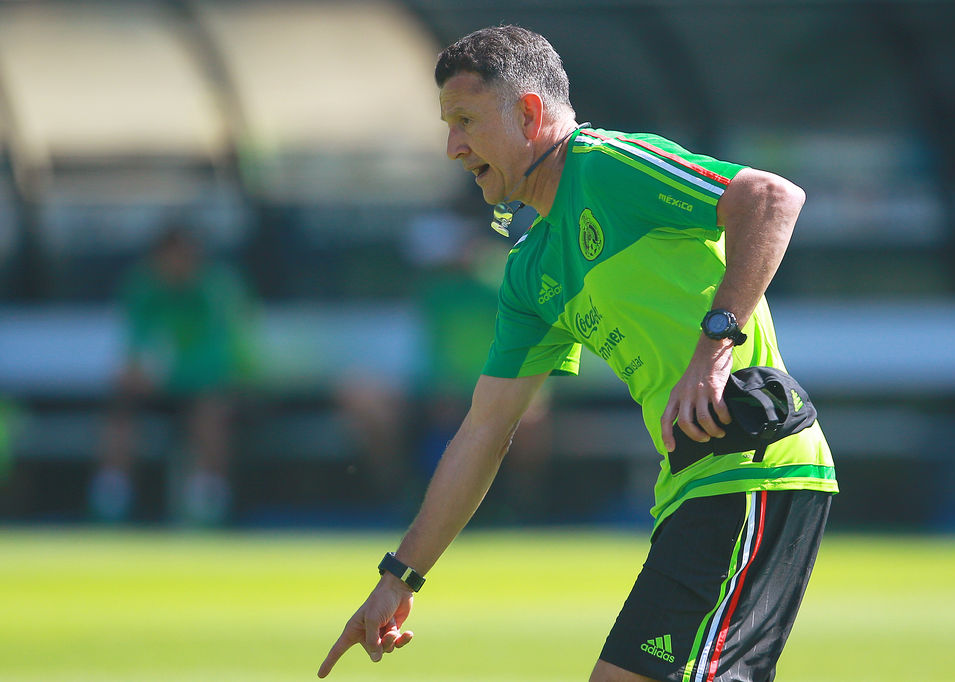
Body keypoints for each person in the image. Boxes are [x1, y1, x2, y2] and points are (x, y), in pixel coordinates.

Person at [318, 25, 838, 682]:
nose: (453, 147)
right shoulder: (531, 269)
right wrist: (399, 578)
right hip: (692, 488)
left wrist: (714, 346)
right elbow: (483, 431)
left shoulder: (606, 165)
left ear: (529, 113)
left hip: (754, 470)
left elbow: (770, 198)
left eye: (466, 121)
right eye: (449, 127)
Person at [89, 225, 255, 525]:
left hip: (211, 387)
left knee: (211, 408)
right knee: (120, 408)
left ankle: (207, 502)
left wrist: (168, 374)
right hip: (159, 390)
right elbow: (134, 344)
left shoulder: (217, 288)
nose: (177, 263)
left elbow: (222, 357)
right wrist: (137, 372)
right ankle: (112, 498)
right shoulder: (143, 287)